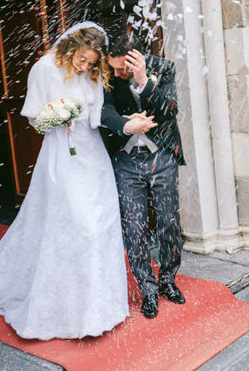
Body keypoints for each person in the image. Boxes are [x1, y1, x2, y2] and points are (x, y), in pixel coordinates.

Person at [0, 22, 129, 339]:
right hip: (62, 155)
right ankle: (64, 310)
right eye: (82, 59)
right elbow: (35, 118)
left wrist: (126, 123)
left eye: (91, 62)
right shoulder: (44, 69)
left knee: (100, 225)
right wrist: (55, 116)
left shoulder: (92, 73)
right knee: (77, 226)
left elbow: (95, 116)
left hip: (93, 158)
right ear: (70, 47)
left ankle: (100, 308)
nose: (85, 66)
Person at [101, 34, 185, 319]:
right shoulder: (108, 77)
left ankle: (167, 280)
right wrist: (128, 125)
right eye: (112, 68)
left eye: (122, 68)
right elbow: (105, 111)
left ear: (136, 57)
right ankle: (148, 290)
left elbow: (170, 110)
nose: (116, 74)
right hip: (127, 160)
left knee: (169, 222)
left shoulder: (165, 68)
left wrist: (144, 82)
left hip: (162, 156)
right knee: (135, 229)